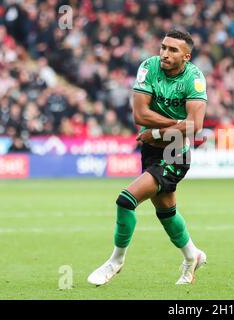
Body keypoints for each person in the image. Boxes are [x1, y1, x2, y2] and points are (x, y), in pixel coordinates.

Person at [88, 29, 207, 286]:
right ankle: (192, 256)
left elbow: (195, 126)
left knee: (125, 200)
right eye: (163, 47)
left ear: (186, 56)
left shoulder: (195, 78)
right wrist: (176, 123)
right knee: (166, 212)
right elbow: (139, 115)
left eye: (173, 50)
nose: (165, 53)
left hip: (175, 151)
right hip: (152, 149)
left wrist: (158, 132)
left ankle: (115, 261)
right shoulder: (148, 67)